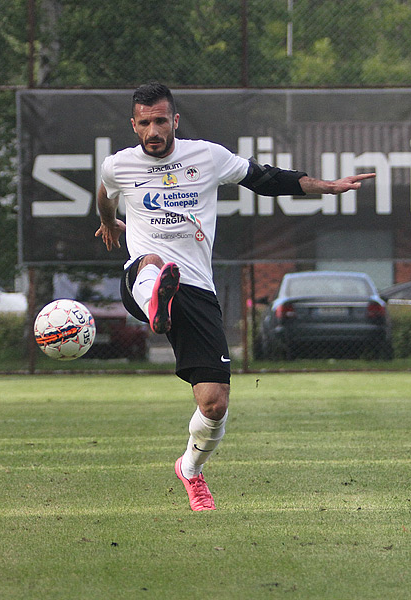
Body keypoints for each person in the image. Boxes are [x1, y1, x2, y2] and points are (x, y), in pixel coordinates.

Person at [95, 82, 374, 511]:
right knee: (150, 260)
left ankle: (190, 469)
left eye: (161, 120)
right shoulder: (119, 166)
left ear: (175, 120)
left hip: (197, 290)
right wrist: (110, 222)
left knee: (215, 404)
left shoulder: (206, 156)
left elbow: (265, 179)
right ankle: (155, 303)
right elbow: (104, 191)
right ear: (134, 125)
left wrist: (329, 187)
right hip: (143, 277)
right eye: (145, 121)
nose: (154, 129)